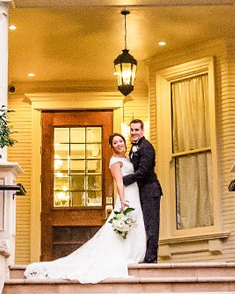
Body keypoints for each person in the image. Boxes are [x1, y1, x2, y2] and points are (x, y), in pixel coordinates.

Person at [23, 133, 146, 283]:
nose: (119, 144)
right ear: (111, 146)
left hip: (135, 195)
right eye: (115, 142)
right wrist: (122, 200)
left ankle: (134, 254)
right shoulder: (115, 162)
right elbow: (119, 182)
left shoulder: (127, 159)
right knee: (120, 228)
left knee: (135, 224)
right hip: (127, 197)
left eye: (121, 141)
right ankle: (125, 255)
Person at [122, 119, 162, 263]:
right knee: (143, 223)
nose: (134, 133)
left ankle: (151, 258)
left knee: (151, 224)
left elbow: (143, 171)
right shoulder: (134, 148)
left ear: (142, 131)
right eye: (132, 130)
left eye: (137, 130)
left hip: (150, 190)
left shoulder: (147, 147)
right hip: (140, 191)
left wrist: (125, 180)